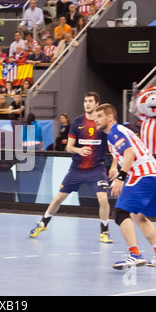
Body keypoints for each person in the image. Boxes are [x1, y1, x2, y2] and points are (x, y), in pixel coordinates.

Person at [28, 92, 113, 243]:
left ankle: (104, 232)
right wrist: (79, 150)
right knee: (59, 198)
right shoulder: (76, 122)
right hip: (77, 169)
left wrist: (114, 166)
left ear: (97, 104)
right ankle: (43, 223)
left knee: (103, 199)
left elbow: (113, 148)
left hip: (97, 169)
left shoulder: (103, 123)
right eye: (85, 101)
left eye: (90, 101)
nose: (87, 104)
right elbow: (69, 147)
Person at [94, 103, 156, 269]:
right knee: (138, 217)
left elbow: (130, 153)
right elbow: (125, 152)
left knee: (121, 213)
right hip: (155, 174)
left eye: (99, 116)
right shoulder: (119, 132)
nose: (95, 120)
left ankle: (134, 254)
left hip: (143, 174)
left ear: (109, 117)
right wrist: (116, 168)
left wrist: (121, 177)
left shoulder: (114, 131)